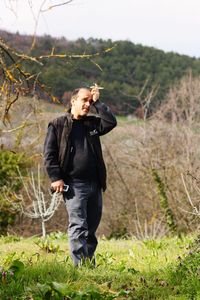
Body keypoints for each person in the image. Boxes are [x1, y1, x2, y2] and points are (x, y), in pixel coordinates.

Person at [43, 85, 117, 266]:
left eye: (90, 102)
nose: (87, 105)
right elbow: (49, 154)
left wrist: (98, 102)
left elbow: (110, 122)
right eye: (84, 100)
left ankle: (88, 264)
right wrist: (56, 178)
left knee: (91, 229)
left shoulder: (92, 123)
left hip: (95, 184)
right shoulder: (58, 124)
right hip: (74, 185)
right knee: (78, 226)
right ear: (73, 101)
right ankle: (80, 267)